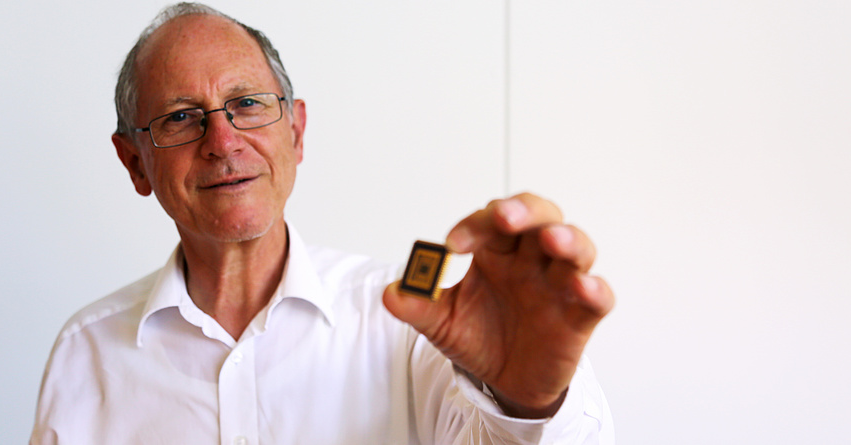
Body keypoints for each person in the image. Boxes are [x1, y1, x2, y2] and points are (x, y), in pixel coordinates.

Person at [30, 3, 615, 444]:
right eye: (181, 117)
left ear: (297, 132)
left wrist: (530, 402)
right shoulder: (86, 353)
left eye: (249, 104)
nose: (224, 141)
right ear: (135, 163)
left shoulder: (413, 323)